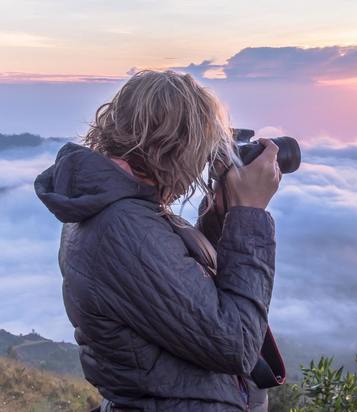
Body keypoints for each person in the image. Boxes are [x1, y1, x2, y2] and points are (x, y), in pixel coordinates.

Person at [34, 70, 282, 411]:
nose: (201, 163)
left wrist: (219, 219)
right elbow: (236, 343)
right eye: (202, 147)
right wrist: (249, 215)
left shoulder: (121, 208)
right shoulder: (121, 226)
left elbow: (184, 291)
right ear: (177, 144)